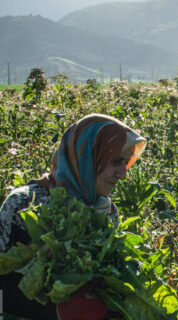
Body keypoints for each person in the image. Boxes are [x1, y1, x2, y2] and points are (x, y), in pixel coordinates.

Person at [0, 114, 146, 319]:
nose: (123, 173)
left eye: (126, 162)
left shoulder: (106, 211)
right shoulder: (25, 204)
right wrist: (58, 312)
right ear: (87, 158)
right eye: (115, 162)